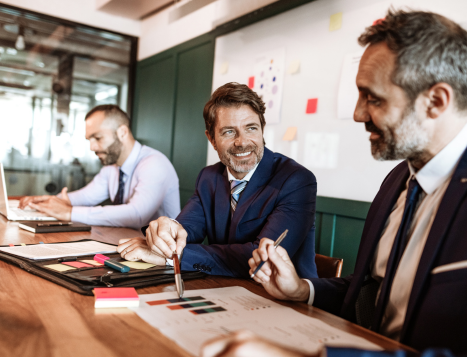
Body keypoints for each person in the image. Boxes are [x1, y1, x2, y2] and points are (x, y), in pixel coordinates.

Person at [199, 9, 467, 357]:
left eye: (373, 97)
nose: (357, 113)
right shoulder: (396, 181)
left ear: (436, 100)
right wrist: (303, 290)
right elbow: (373, 293)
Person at [117, 83, 318, 278]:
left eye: (251, 128)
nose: (242, 142)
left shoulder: (296, 180)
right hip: (223, 290)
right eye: (229, 131)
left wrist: (173, 257)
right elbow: (185, 230)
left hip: (285, 303)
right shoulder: (208, 177)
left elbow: (261, 259)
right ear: (211, 139)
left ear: (262, 129)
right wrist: (167, 233)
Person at [19, 105, 181, 229]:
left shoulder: (154, 164)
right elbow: (84, 197)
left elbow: (136, 215)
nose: (92, 147)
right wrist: (43, 201)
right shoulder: (112, 169)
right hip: (131, 246)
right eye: (89, 140)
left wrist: (69, 212)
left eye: (97, 138)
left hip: (164, 258)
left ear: (122, 132)